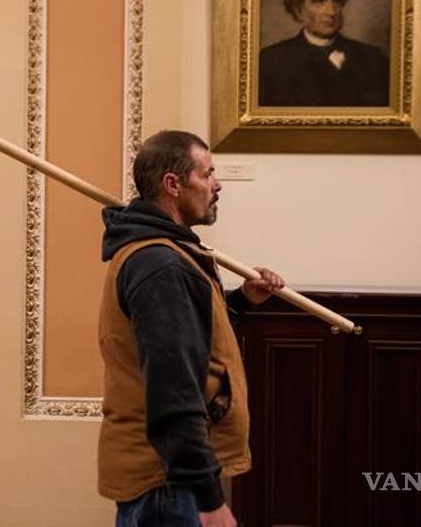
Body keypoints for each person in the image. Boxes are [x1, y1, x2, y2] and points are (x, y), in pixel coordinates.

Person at [97, 130, 285, 527]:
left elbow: (192, 347)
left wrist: (240, 301)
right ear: (173, 184)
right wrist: (208, 499)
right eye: (207, 174)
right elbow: (174, 389)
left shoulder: (168, 255)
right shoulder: (160, 265)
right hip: (169, 484)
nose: (216, 186)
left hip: (170, 478)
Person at [258, 0, 390, 107]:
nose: (331, 11)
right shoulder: (271, 61)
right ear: (298, 11)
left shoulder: (374, 58)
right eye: (319, 1)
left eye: (336, 1)